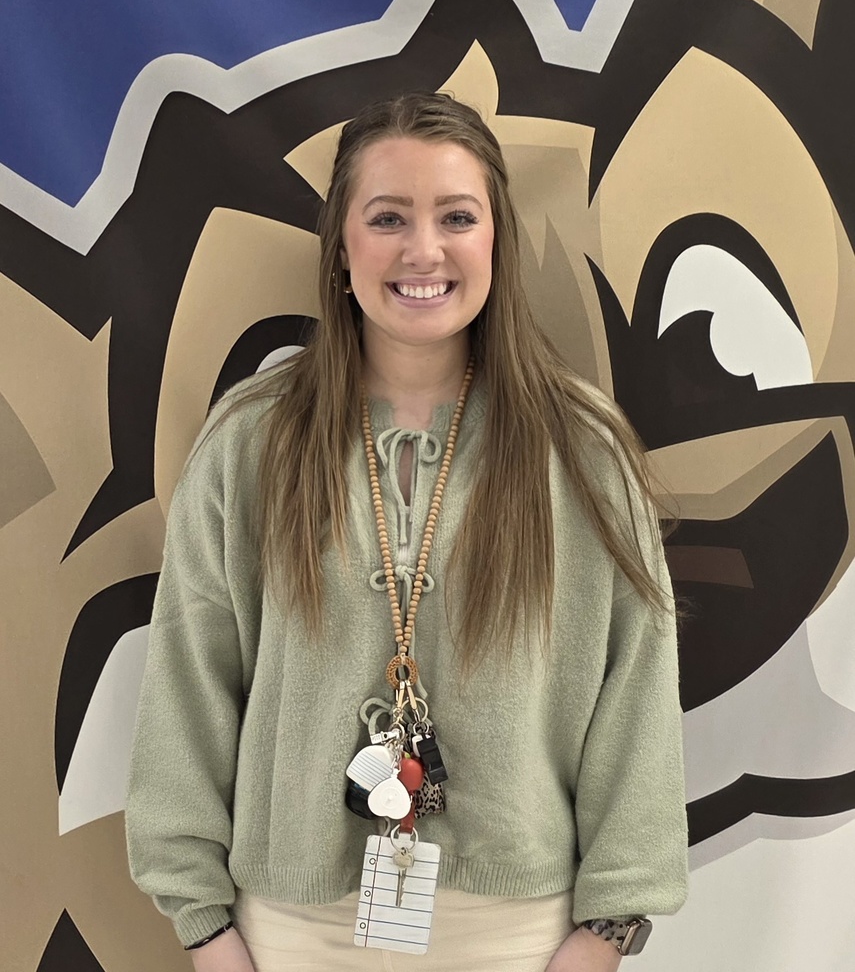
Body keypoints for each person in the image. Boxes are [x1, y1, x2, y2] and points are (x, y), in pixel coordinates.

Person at [125, 91, 688, 971]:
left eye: (455, 217)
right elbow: (190, 676)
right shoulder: (251, 441)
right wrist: (203, 924)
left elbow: (637, 687)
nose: (423, 250)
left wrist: (608, 929)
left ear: (493, 238)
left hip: (517, 931)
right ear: (341, 250)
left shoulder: (580, 448)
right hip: (292, 926)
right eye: (387, 217)